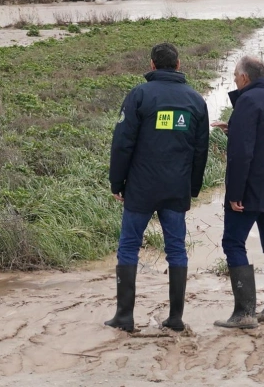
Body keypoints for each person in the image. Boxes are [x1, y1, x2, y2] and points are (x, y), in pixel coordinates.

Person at [106, 42, 210, 333]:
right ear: (178, 65)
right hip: (176, 189)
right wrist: (193, 187)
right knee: (176, 250)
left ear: (152, 65)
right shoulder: (195, 100)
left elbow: (123, 143)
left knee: (128, 246)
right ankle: (175, 318)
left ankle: (124, 316)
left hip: (140, 187)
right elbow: (201, 150)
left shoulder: (140, 94)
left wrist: (117, 182)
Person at [211, 56, 264, 329]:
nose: (234, 80)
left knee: (233, 243)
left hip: (251, 188)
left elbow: (242, 153)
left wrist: (235, 192)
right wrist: (233, 128)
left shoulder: (247, 101)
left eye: (235, 76)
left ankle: (244, 313)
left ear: (245, 77)